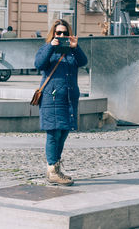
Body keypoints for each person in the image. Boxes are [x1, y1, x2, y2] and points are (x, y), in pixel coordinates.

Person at [34, 19, 88, 186]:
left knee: (64, 132)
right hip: (52, 97)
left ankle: (56, 168)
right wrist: (51, 46)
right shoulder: (46, 48)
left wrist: (76, 47)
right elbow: (39, 64)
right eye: (59, 33)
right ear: (53, 33)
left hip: (68, 98)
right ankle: (51, 169)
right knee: (53, 133)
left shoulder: (72, 51)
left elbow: (84, 62)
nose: (62, 35)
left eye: (65, 33)